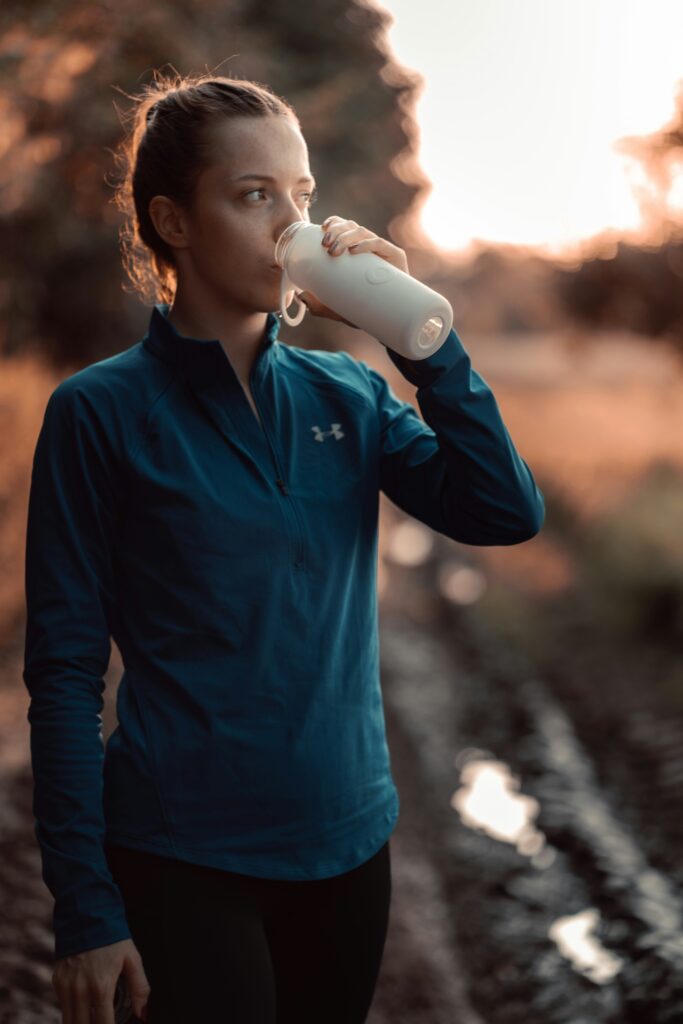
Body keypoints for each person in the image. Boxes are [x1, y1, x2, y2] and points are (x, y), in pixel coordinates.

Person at [22, 70, 546, 1024]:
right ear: (174, 222)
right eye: (254, 195)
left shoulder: (350, 394)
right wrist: (85, 909)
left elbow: (503, 511)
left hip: (351, 844)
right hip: (182, 855)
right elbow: (62, 673)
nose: (292, 226)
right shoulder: (98, 412)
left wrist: (421, 342)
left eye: (301, 195)